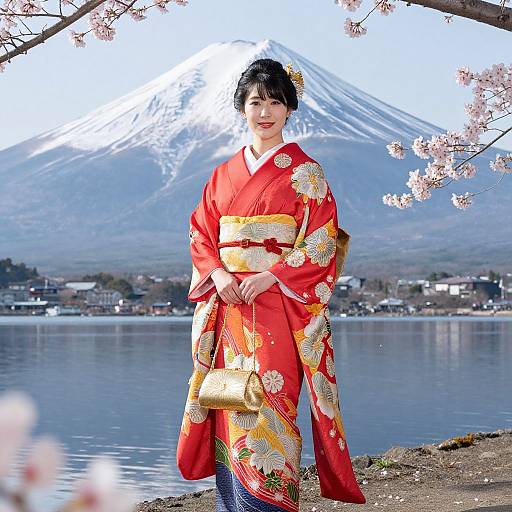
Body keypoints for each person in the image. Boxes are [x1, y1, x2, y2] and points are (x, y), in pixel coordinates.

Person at [176, 58, 366, 511]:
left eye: (275, 101)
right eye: (256, 101)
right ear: (242, 107)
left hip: (279, 307)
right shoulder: (221, 174)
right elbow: (200, 232)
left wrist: (270, 275)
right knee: (228, 399)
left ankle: (269, 504)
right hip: (229, 309)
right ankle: (231, 504)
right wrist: (219, 274)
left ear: (289, 108)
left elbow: (322, 241)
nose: (265, 111)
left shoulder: (307, 174)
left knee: (269, 401)